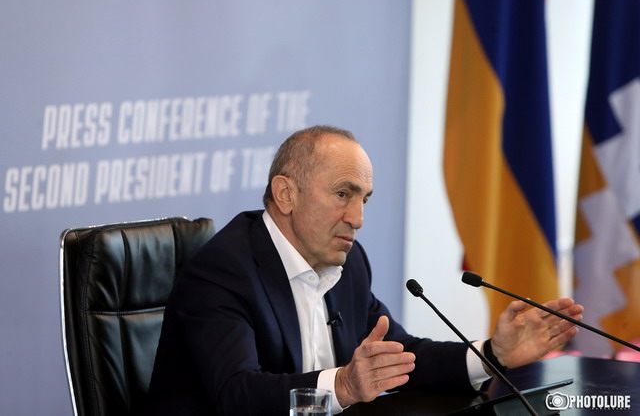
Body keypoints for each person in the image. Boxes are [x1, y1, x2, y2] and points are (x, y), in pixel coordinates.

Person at [145, 125, 583, 415]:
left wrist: (492, 355)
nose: (357, 218)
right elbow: (236, 395)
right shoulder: (224, 271)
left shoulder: (348, 260)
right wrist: (343, 387)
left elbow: (399, 355)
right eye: (343, 194)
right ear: (286, 194)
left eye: (364, 199)